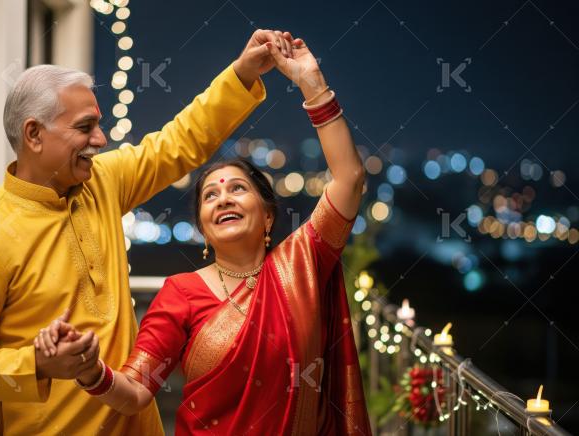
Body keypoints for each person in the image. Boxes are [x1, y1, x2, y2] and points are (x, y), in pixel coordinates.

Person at [0, 29, 300, 435]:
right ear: (34, 134)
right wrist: (36, 364)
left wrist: (242, 74)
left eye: (98, 125)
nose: (100, 140)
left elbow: (180, 142)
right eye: (85, 127)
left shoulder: (101, 181)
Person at [38, 36, 372, 434]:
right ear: (203, 228)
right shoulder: (179, 294)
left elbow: (349, 178)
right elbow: (135, 392)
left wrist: (311, 82)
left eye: (237, 188)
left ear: (267, 217)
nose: (223, 199)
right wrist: (91, 372)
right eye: (210, 195)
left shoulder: (301, 264)